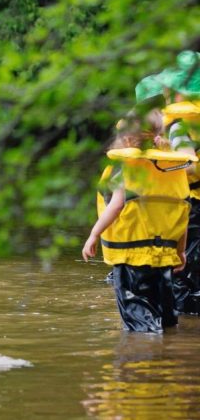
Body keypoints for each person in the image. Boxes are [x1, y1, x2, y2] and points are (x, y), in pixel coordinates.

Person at [82, 111, 194, 332]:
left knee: (139, 325)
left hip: (131, 260)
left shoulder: (126, 167)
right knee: (165, 317)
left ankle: (144, 360)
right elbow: (181, 215)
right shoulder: (172, 168)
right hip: (164, 259)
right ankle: (169, 356)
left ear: (125, 140)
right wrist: (180, 252)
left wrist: (94, 234)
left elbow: (116, 205)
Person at [157, 50, 200, 313]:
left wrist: (164, 163)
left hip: (195, 207)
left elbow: (189, 164)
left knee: (187, 275)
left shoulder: (181, 124)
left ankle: (184, 332)